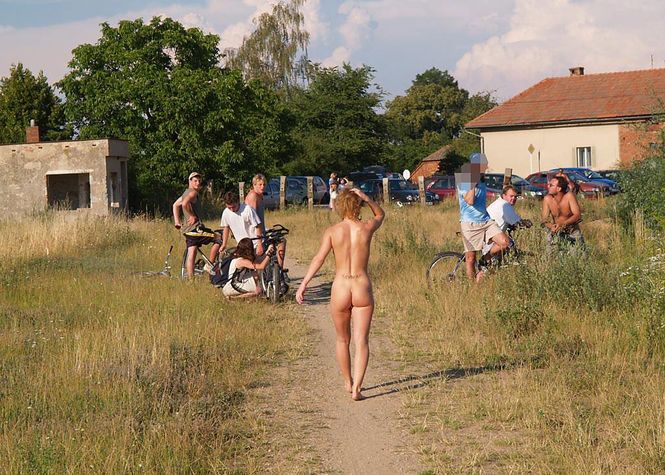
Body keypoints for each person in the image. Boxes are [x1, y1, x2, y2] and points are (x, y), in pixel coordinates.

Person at [296, 188, 385, 401]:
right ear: (358, 206)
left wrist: (304, 283)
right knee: (361, 341)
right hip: (361, 285)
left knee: (342, 340)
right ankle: (357, 389)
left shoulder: (333, 231)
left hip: (341, 286)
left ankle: (348, 381)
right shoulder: (366, 227)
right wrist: (367, 198)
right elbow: (380, 214)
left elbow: (318, 258)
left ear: (340, 206)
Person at [455, 153, 510, 282]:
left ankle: (484, 261)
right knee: (470, 258)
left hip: (485, 220)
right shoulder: (464, 179)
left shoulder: (482, 180)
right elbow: (470, 201)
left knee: (505, 243)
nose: (485, 168)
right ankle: (473, 286)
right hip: (470, 223)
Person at [173, 172, 221, 278]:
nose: (198, 183)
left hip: (188, 231)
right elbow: (184, 204)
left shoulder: (185, 193)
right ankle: (209, 265)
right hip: (196, 230)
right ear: (189, 181)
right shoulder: (193, 193)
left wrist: (177, 221)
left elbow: (175, 205)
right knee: (219, 238)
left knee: (192, 253)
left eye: (199, 181)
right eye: (195, 181)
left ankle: (191, 280)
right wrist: (192, 215)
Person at [244, 174, 288, 273]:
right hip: (254, 234)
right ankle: (278, 271)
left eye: (264, 184)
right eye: (260, 184)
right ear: (254, 185)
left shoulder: (259, 195)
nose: (262, 187)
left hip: (260, 230)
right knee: (280, 241)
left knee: (280, 239)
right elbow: (253, 221)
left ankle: (278, 271)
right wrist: (259, 241)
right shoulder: (253, 196)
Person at [541, 176, 584, 246]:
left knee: (578, 252)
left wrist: (563, 224)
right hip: (557, 233)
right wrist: (551, 226)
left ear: (559, 189)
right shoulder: (547, 199)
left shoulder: (569, 196)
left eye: (551, 185)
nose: (548, 186)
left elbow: (577, 215)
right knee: (550, 250)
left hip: (572, 233)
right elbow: (544, 220)